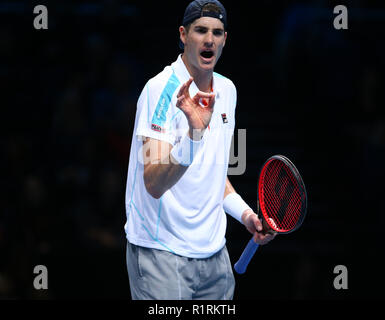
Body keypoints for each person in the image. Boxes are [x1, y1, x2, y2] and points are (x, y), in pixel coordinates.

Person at [124, 0, 275, 300]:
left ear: (225, 40)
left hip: (214, 259)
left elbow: (215, 176)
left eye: (217, 33)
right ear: (183, 35)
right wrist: (194, 135)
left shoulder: (228, 91)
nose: (209, 39)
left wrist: (246, 215)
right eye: (201, 30)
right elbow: (153, 184)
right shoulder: (159, 89)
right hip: (161, 255)